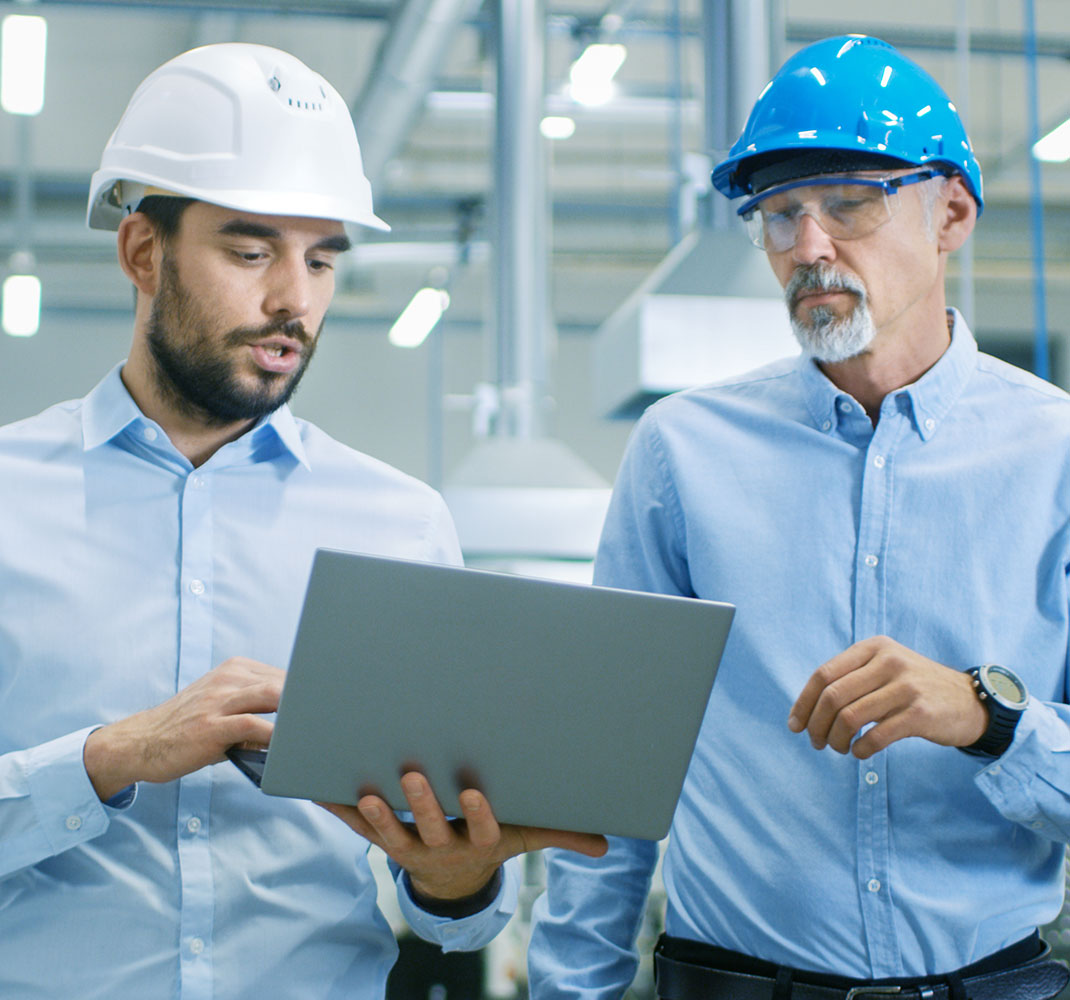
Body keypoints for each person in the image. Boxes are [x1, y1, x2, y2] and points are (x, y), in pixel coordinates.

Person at [0, 43, 603, 999]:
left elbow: (457, 912)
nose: (295, 299)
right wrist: (111, 757)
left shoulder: (399, 525)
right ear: (143, 253)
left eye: (321, 259)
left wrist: (456, 877)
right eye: (251, 253)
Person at [528, 33, 1070, 1000]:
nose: (809, 248)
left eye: (851, 204)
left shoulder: (1056, 455)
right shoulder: (683, 453)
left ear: (950, 214)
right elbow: (606, 775)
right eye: (780, 214)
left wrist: (988, 718)